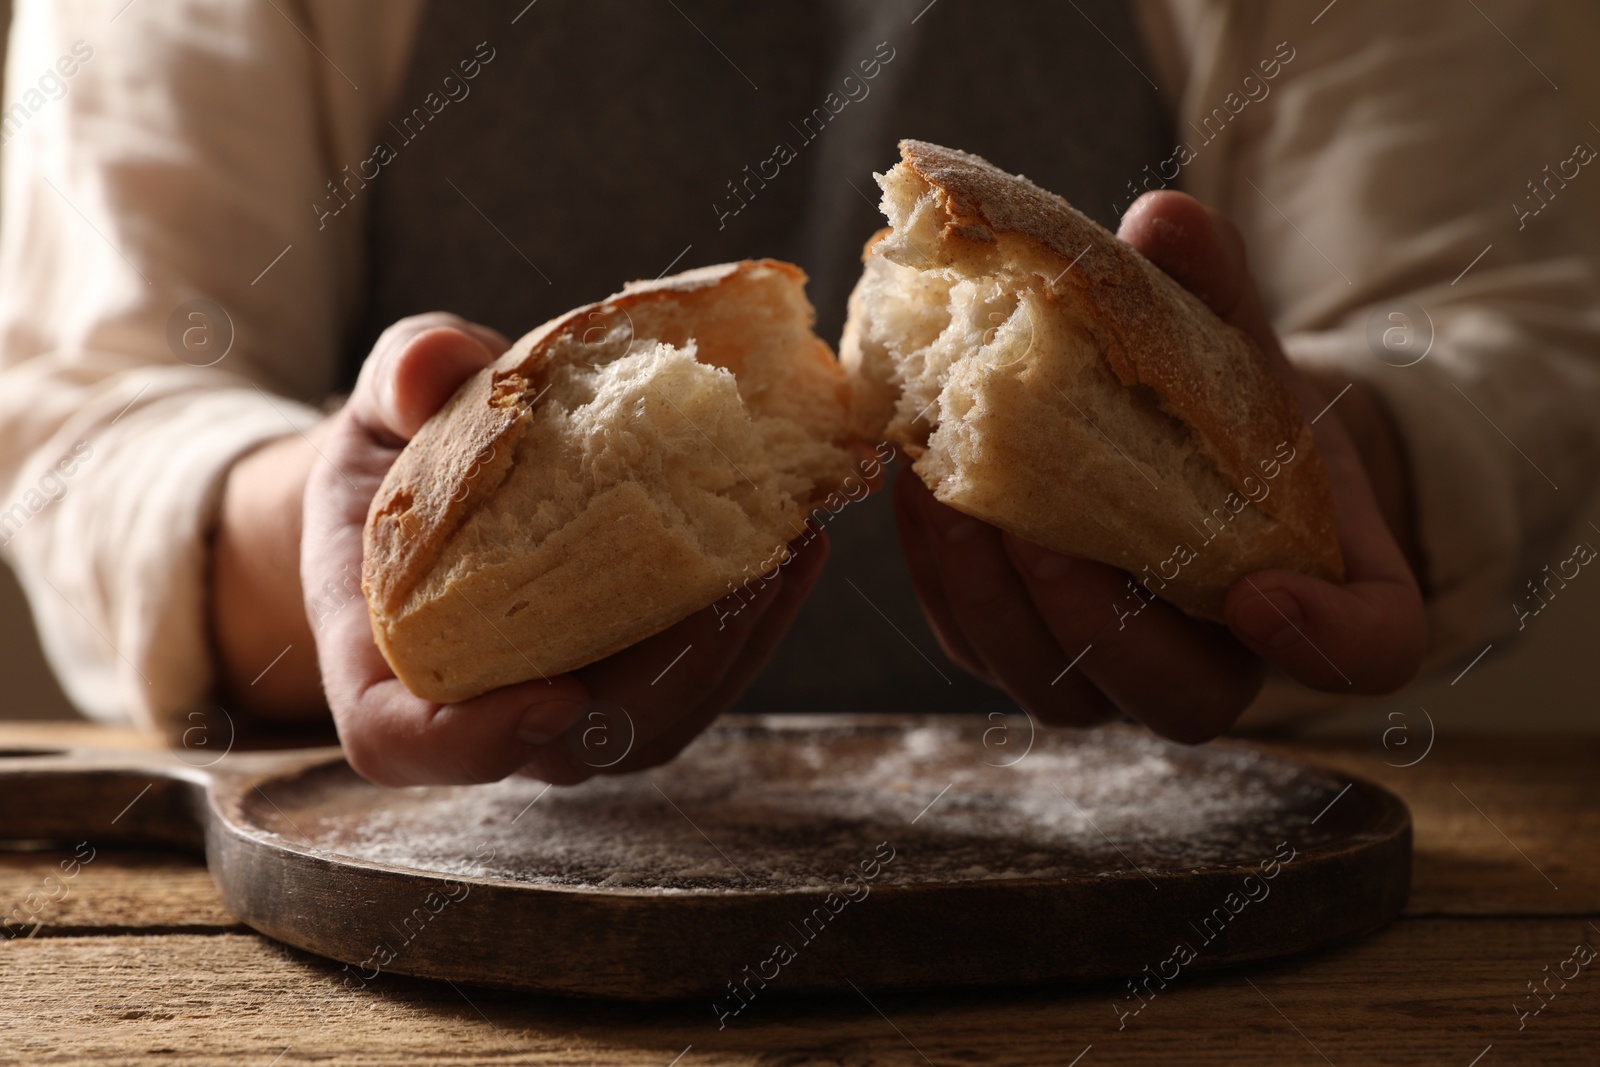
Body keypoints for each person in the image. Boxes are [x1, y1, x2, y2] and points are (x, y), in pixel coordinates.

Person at [0, 1, 1595, 787]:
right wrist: (332, 524)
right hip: (444, 931)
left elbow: (1499, 320)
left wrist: (1329, 453)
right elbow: (96, 410)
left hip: (1154, 913)